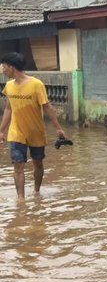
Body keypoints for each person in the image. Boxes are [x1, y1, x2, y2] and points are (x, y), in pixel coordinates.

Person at [0, 52, 66, 199]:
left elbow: (47, 107)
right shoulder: (9, 86)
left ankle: (36, 192)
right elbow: (8, 109)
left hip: (36, 131)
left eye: (4, 67)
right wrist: (1, 131)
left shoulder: (36, 85)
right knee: (18, 166)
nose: (3, 70)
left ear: (12, 67)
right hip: (16, 132)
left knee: (38, 163)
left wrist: (58, 128)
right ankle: (21, 200)